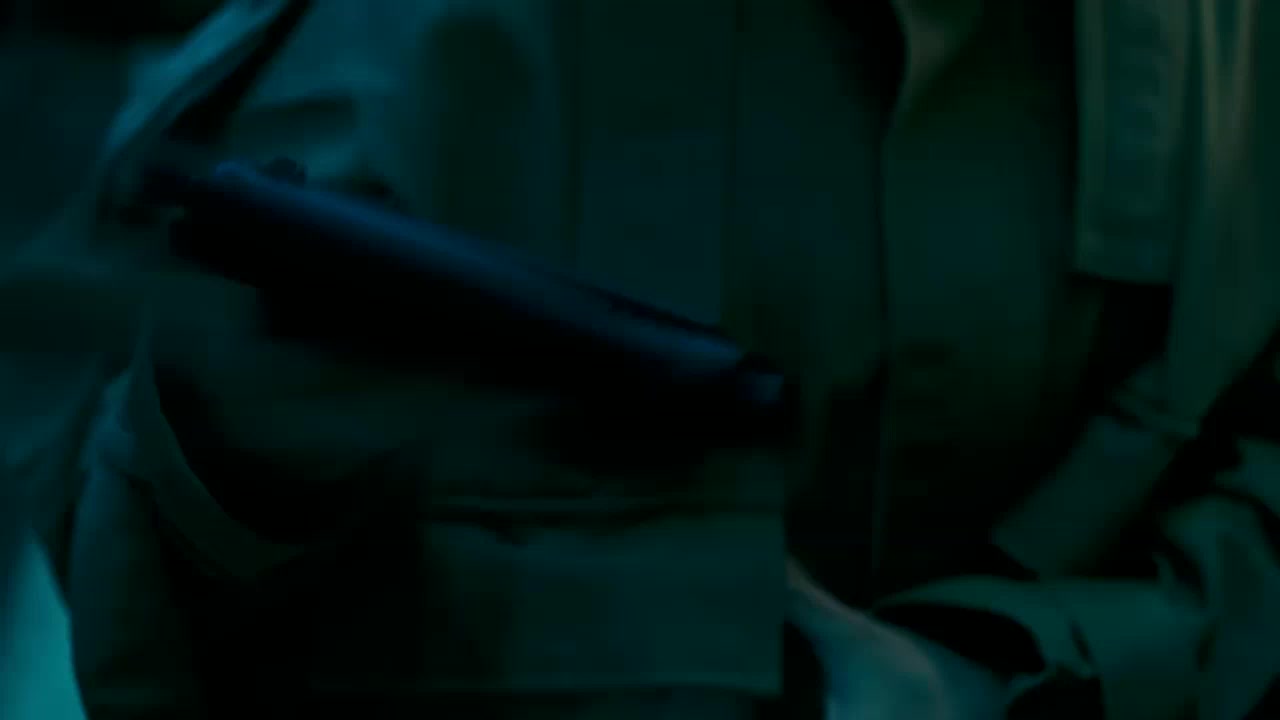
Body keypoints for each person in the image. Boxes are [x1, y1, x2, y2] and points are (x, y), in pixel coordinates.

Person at [2, 0, 1275, 717]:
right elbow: (107, 499)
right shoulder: (405, 35)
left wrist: (1000, 669)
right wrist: (230, 456)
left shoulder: (1231, 47)